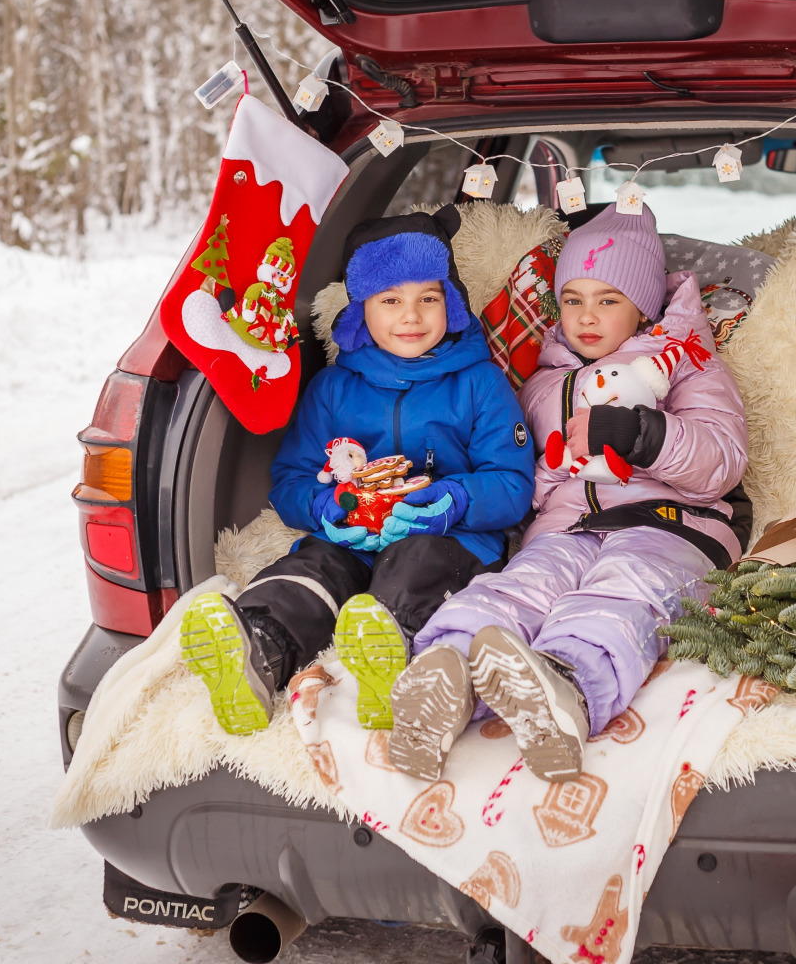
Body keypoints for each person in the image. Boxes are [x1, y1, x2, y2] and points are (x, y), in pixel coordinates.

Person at [386, 202, 750, 782]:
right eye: (574, 299)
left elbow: (722, 463)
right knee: (523, 586)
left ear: (644, 305)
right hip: (566, 526)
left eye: (608, 300)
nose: (587, 316)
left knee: (625, 590)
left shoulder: (689, 365)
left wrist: (643, 435)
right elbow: (521, 468)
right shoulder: (543, 381)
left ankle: (568, 687)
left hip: (671, 524)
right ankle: (445, 672)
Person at [179, 206, 535, 736]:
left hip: (449, 539)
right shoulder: (333, 389)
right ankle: (257, 647)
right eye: (390, 301)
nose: (411, 317)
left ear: (451, 304)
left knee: (413, 569)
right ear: (360, 311)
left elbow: (513, 484)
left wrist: (453, 501)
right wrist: (325, 508)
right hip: (351, 537)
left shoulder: (479, 383)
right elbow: (292, 480)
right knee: (310, 570)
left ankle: (388, 660)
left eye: (427, 299)